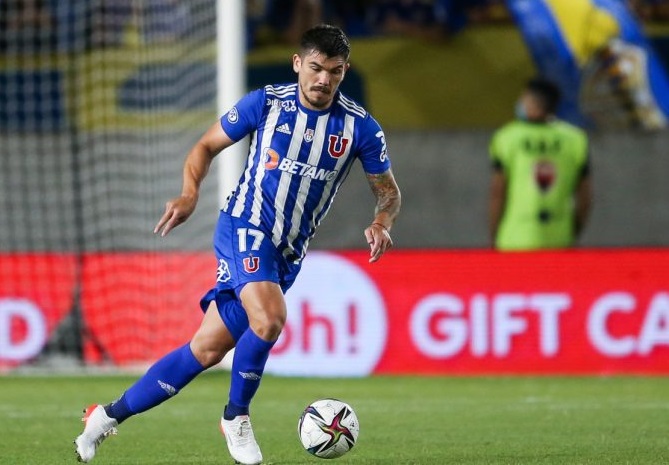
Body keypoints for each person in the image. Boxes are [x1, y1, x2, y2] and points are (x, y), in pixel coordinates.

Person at [73, 24, 401, 465]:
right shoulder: (265, 103)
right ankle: (236, 416)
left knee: (205, 350)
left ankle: (105, 418)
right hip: (244, 227)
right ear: (298, 64)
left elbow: (388, 190)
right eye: (317, 68)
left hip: (286, 253)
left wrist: (382, 220)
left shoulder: (361, 128)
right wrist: (190, 194)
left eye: (336, 72)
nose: (324, 80)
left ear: (345, 71)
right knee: (269, 320)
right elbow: (205, 146)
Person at [489, 77, 592, 251]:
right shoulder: (575, 139)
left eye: (523, 99)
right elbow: (585, 196)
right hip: (560, 239)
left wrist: (494, 234)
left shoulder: (506, 137)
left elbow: (497, 192)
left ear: (533, 106)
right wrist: (573, 231)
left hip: (514, 240)